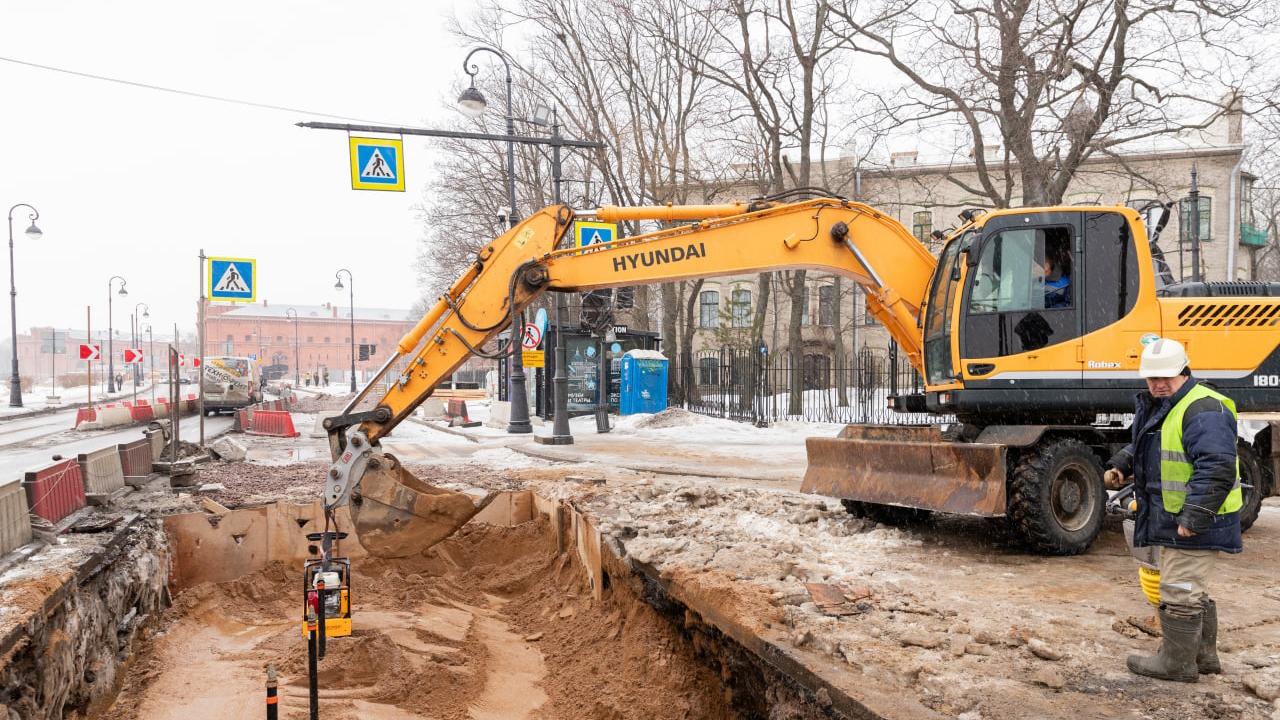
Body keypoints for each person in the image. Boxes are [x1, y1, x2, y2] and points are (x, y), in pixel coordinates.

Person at [1104, 337, 1242, 683]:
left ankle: (1178, 663)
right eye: (1152, 378)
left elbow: (1216, 466)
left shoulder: (1203, 408)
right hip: (1176, 515)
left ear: (1184, 370)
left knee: (1179, 589)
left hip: (1194, 519)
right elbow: (1151, 443)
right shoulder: (1163, 404)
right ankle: (1202, 656)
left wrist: (1194, 516)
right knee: (1191, 586)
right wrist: (1124, 462)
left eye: (1166, 376)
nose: (1158, 384)